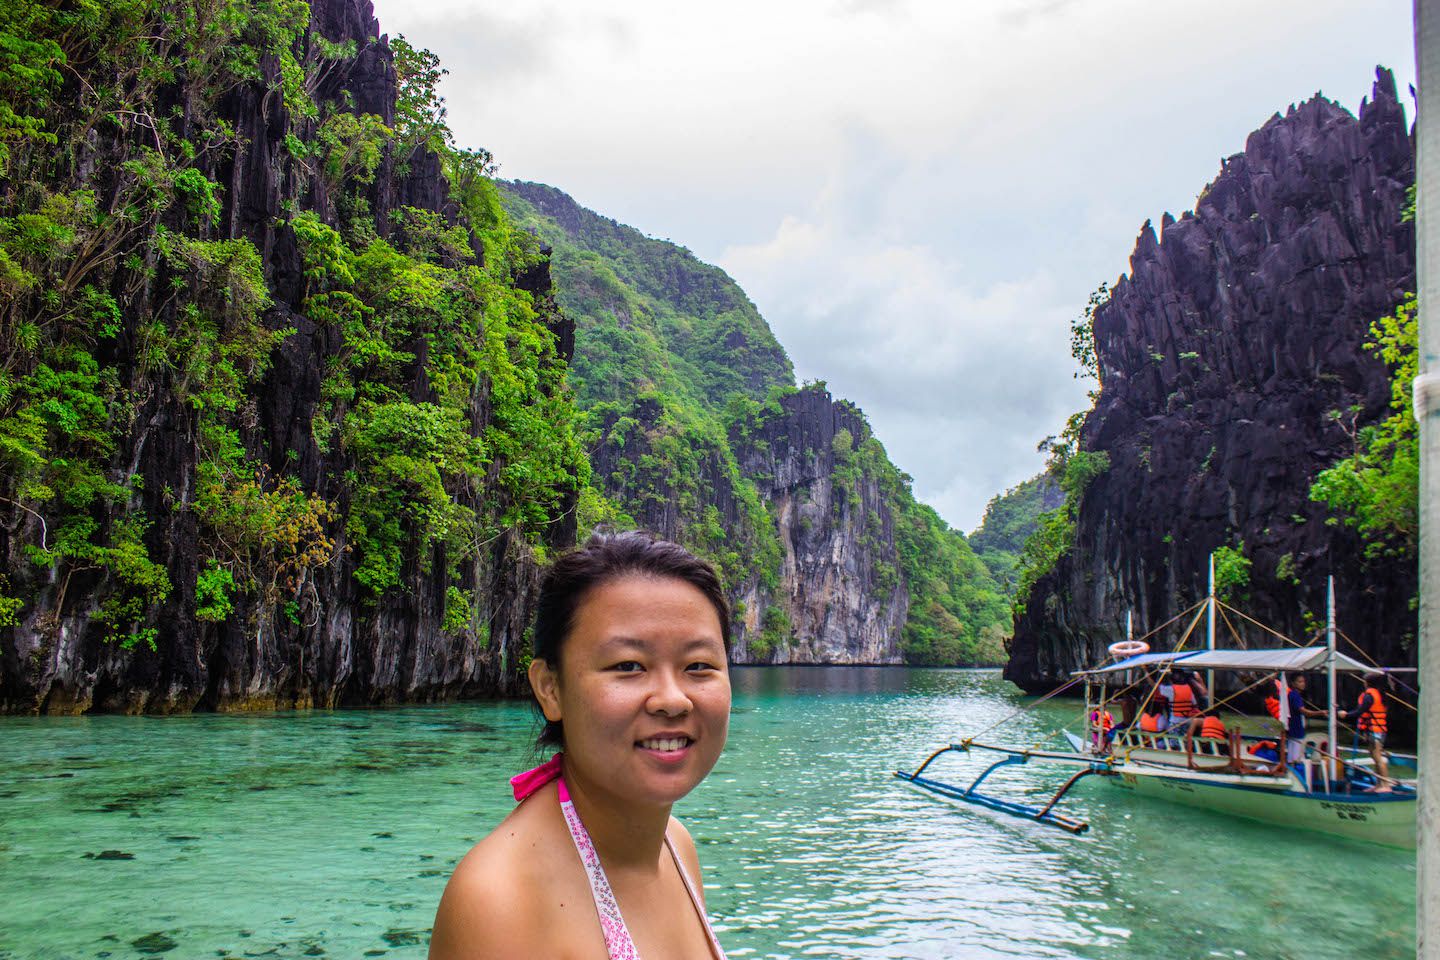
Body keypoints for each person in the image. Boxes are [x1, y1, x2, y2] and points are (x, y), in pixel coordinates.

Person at [429, 531, 731, 959]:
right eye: (628, 666)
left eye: (698, 665)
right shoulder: (500, 900)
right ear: (550, 689)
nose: (672, 699)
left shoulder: (674, 844)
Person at [1337, 672, 1392, 793]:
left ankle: (1386, 785)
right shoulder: (1379, 694)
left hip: (1376, 731)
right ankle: (1379, 784)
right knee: (1374, 756)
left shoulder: (1369, 696)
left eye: (1364, 681)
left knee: (1378, 757)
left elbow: (1359, 712)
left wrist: (1345, 715)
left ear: (1367, 683)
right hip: (1376, 730)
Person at [1278, 673, 1327, 767]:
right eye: (1300, 682)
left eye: (1303, 681)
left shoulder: (1294, 695)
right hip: (1295, 729)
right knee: (1295, 756)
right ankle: (1293, 769)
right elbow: (1304, 712)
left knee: (1292, 753)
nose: (1303, 684)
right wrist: (1320, 713)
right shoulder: (1294, 695)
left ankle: (1291, 766)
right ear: (1293, 683)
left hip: (1295, 729)